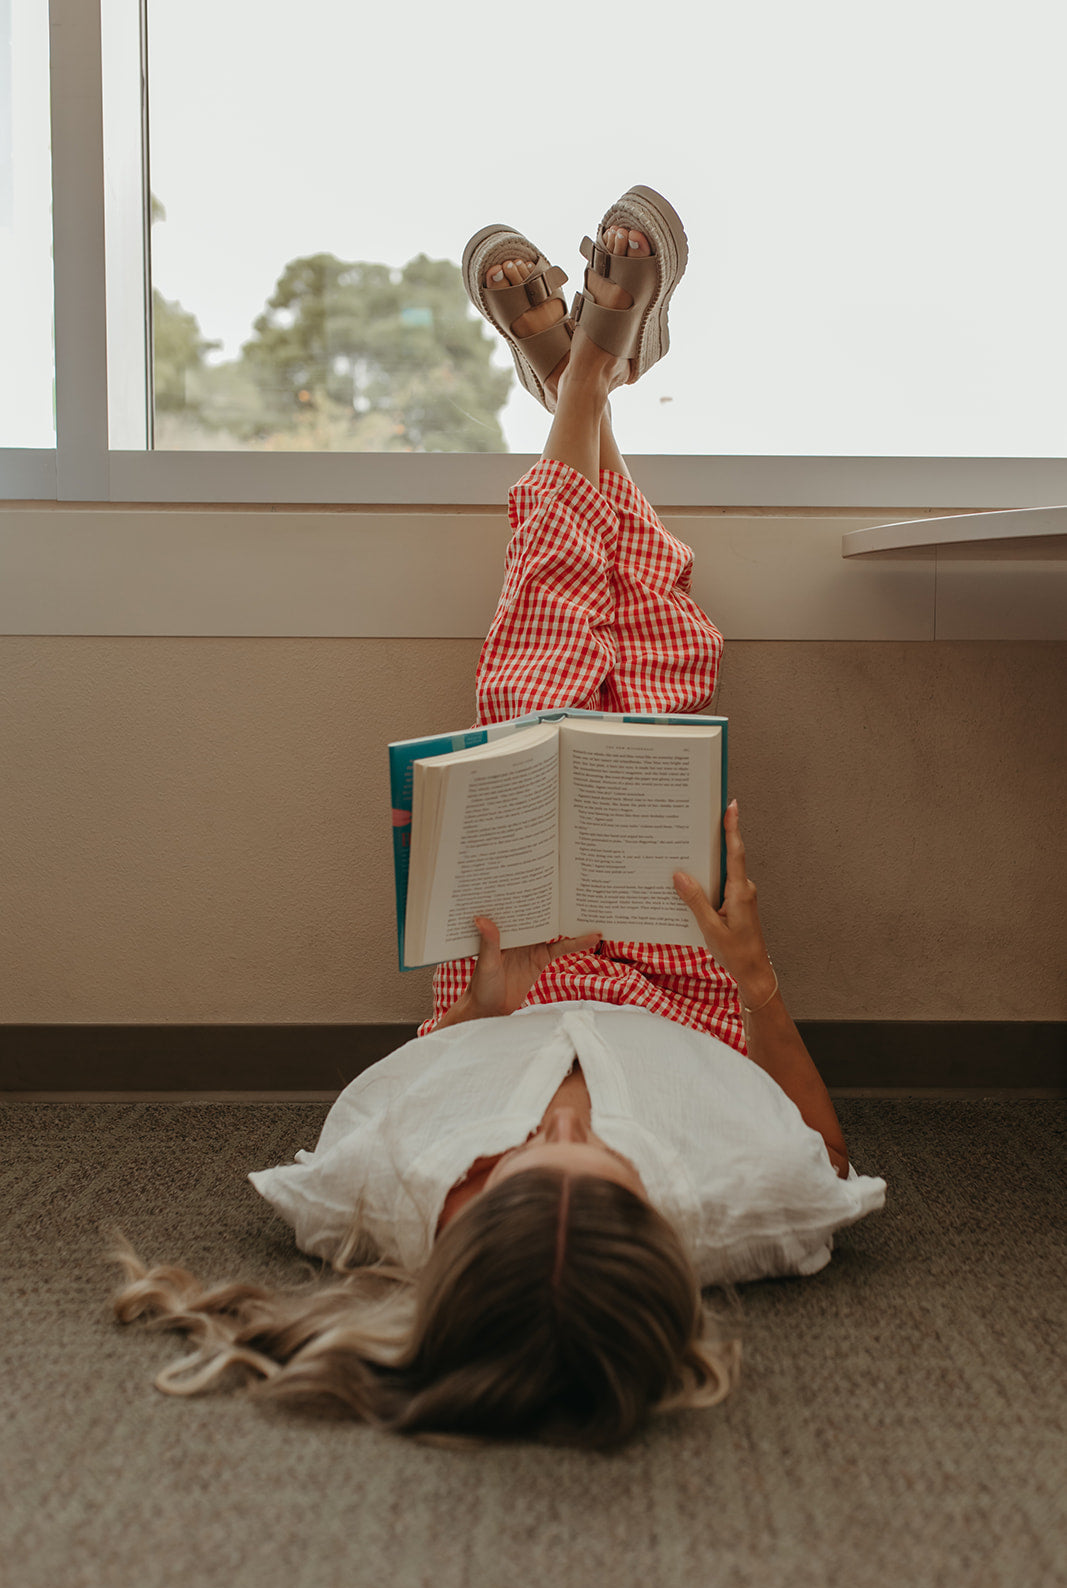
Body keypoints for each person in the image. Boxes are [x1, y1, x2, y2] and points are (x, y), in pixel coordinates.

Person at [112, 187, 886, 1452]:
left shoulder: (381, 1193)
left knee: (528, 685)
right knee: (659, 648)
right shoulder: (738, 1216)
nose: (568, 1133)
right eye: (609, 1171)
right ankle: (581, 378)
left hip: (511, 963)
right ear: (661, 1229)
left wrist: (483, 1007)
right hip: (674, 975)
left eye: (520, 1165)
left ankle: (583, 366)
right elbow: (826, 1149)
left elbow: (419, 1074)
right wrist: (757, 980)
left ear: (459, 1226)